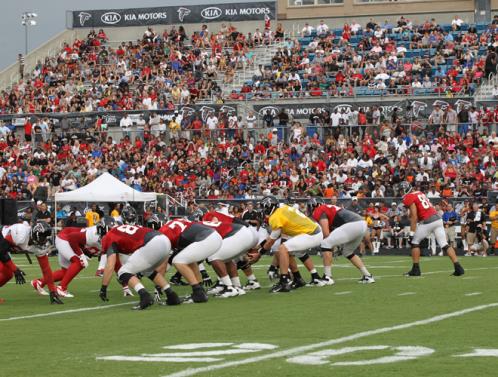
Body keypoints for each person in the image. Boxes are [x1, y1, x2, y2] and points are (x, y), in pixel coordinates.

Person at [99, 223, 180, 310]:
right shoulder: (120, 230)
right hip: (164, 240)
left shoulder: (109, 237)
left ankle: (145, 296)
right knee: (147, 270)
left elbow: (110, 265)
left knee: (123, 272)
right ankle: (172, 296)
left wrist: (103, 288)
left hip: (152, 243)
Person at [254, 196, 324, 293]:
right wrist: (259, 247)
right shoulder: (282, 209)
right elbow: (273, 237)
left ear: (270, 207)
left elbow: (271, 241)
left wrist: (259, 254)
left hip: (311, 233)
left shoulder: (275, 217)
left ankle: (284, 282)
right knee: (284, 251)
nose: (263, 210)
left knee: (283, 249)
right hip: (310, 231)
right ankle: (297, 279)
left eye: (264, 207)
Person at [401, 182, 464, 277]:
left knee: (414, 242)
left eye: (401, 190)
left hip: (428, 221)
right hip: (437, 218)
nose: (401, 192)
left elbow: (414, 216)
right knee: (444, 244)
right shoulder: (419, 193)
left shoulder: (409, 196)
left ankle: (416, 270)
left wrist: (411, 233)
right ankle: (458, 267)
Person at [309, 198, 375, 284]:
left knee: (325, 243)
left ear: (314, 205)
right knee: (347, 252)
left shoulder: (319, 210)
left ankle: (327, 277)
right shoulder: (329, 208)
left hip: (353, 224)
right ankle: (368, 276)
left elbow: (326, 233)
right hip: (362, 224)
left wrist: (330, 246)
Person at [158, 218, 222, 303]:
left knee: (178, 261)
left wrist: (158, 285)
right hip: (214, 236)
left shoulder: (163, 235)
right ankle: (200, 290)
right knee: (189, 260)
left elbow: (164, 265)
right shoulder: (173, 225)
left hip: (206, 239)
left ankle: (198, 293)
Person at [31, 224, 101, 298]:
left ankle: (39, 282)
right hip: (65, 239)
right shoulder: (95, 235)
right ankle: (62, 288)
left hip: (65, 239)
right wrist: (81, 255)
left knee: (66, 272)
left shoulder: (101, 236)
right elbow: (72, 237)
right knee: (79, 262)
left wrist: (85, 252)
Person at [0, 222, 62, 304]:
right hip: (1, 242)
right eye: (43, 237)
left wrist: (52, 291)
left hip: (4, 248)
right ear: (35, 234)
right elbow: (1, 251)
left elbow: (46, 269)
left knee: (7, 274)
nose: (44, 240)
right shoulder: (21, 233)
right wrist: (15, 269)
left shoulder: (39, 248)